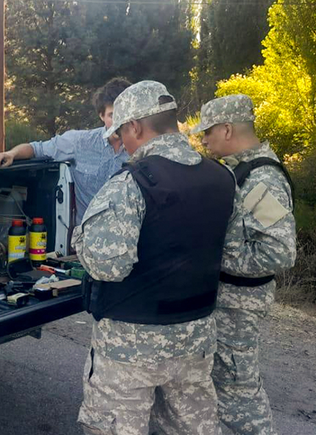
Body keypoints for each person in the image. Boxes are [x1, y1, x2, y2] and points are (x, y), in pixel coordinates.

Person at [73, 81, 235, 435]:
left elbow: (107, 265)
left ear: (135, 127)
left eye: (121, 133)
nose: (120, 143)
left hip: (131, 345)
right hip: (195, 338)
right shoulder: (223, 177)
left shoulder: (132, 183)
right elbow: (230, 254)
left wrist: (80, 239)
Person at [190, 94, 297, 434]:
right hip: (226, 302)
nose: (203, 139)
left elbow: (279, 253)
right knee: (222, 388)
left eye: (207, 132)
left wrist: (213, 254)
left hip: (238, 307)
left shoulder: (261, 180)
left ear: (226, 128)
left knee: (239, 393)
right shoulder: (241, 171)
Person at [0, 78, 131, 222]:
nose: (118, 121)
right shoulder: (80, 142)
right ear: (101, 116)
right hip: (87, 237)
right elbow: (37, 148)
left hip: (129, 237)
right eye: (112, 115)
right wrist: (11, 153)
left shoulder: (144, 149)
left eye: (123, 114)